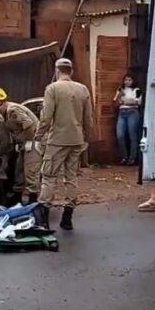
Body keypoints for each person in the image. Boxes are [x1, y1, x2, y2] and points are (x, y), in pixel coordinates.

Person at [37, 58, 95, 231]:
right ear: (71, 71)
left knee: (48, 177)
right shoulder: (82, 89)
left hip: (57, 139)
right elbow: (88, 118)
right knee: (71, 178)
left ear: (57, 71)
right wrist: (87, 139)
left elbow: (46, 116)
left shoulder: (52, 88)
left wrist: (39, 135)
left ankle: (43, 219)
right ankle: (67, 218)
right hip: (76, 139)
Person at [0, 88, 42, 205]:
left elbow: (29, 125)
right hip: (24, 144)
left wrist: (27, 141)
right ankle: (18, 199)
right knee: (19, 171)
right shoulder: (7, 113)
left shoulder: (13, 110)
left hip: (33, 142)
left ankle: (35, 202)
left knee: (30, 172)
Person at [113, 74, 142, 166]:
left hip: (132, 112)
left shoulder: (136, 90)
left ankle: (132, 158)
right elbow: (116, 101)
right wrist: (120, 97)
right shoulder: (120, 90)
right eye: (126, 80)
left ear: (133, 81)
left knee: (132, 136)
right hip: (122, 112)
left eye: (130, 80)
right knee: (120, 135)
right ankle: (124, 157)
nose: (127, 82)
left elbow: (138, 102)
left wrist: (124, 101)